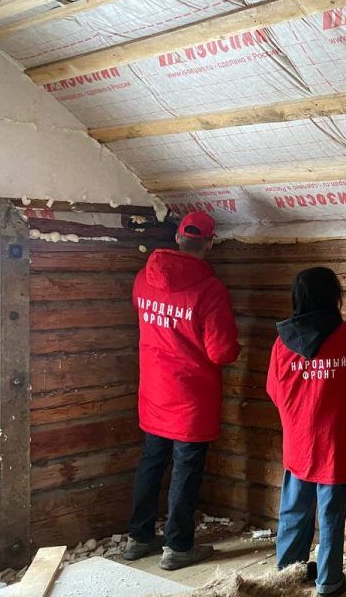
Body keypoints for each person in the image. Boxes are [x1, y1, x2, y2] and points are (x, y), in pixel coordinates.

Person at [123, 211, 241, 571]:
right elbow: (221, 353)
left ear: (177, 237)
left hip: (154, 390)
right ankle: (177, 547)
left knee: (152, 461)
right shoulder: (210, 290)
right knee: (185, 469)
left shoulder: (144, 278)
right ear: (209, 243)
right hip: (192, 396)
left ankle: (138, 538)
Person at [266, 267, 346, 596]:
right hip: (335, 445)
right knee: (331, 514)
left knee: (294, 509)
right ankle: (328, 582)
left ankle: (288, 576)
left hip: (298, 443)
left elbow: (274, 391)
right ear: (334, 297)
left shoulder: (283, 343)